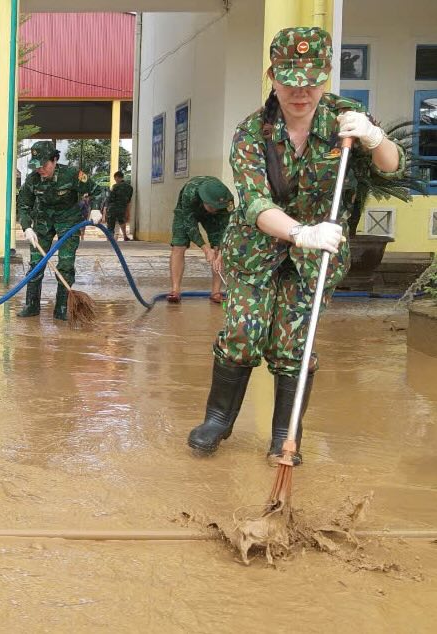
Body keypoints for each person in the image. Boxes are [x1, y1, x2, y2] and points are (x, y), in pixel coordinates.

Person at [186, 26, 403, 465]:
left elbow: (392, 169)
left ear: (324, 76)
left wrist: (375, 140)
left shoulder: (346, 120)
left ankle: (285, 434)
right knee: (243, 333)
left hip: (315, 260)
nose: (300, 92)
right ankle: (217, 420)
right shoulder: (252, 132)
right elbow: (254, 203)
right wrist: (301, 232)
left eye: (311, 81)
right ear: (272, 76)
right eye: (290, 80)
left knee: (295, 343)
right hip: (258, 249)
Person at [15, 140, 101, 320]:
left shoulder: (71, 174)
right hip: (43, 222)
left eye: (44, 165)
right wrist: (26, 227)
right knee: (36, 264)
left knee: (65, 264)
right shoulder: (32, 180)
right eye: (37, 166)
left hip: (69, 221)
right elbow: (23, 205)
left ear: (54, 160)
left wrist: (96, 208)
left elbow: (97, 191)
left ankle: (62, 308)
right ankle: (32, 306)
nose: (41, 170)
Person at [166, 176, 235, 304]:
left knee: (218, 249)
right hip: (186, 212)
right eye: (212, 207)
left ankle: (216, 292)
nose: (214, 209)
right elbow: (189, 225)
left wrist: (220, 252)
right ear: (204, 200)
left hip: (216, 218)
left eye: (217, 207)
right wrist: (205, 248)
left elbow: (228, 228)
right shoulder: (190, 192)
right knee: (179, 245)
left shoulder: (227, 200)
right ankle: (175, 290)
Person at [102, 170, 133, 241]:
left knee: (110, 224)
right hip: (122, 208)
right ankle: (125, 236)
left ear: (117, 177)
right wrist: (128, 212)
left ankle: (110, 239)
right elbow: (129, 201)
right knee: (122, 221)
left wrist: (105, 209)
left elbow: (110, 198)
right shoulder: (130, 188)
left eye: (115, 179)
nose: (115, 181)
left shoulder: (115, 186)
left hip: (113, 208)